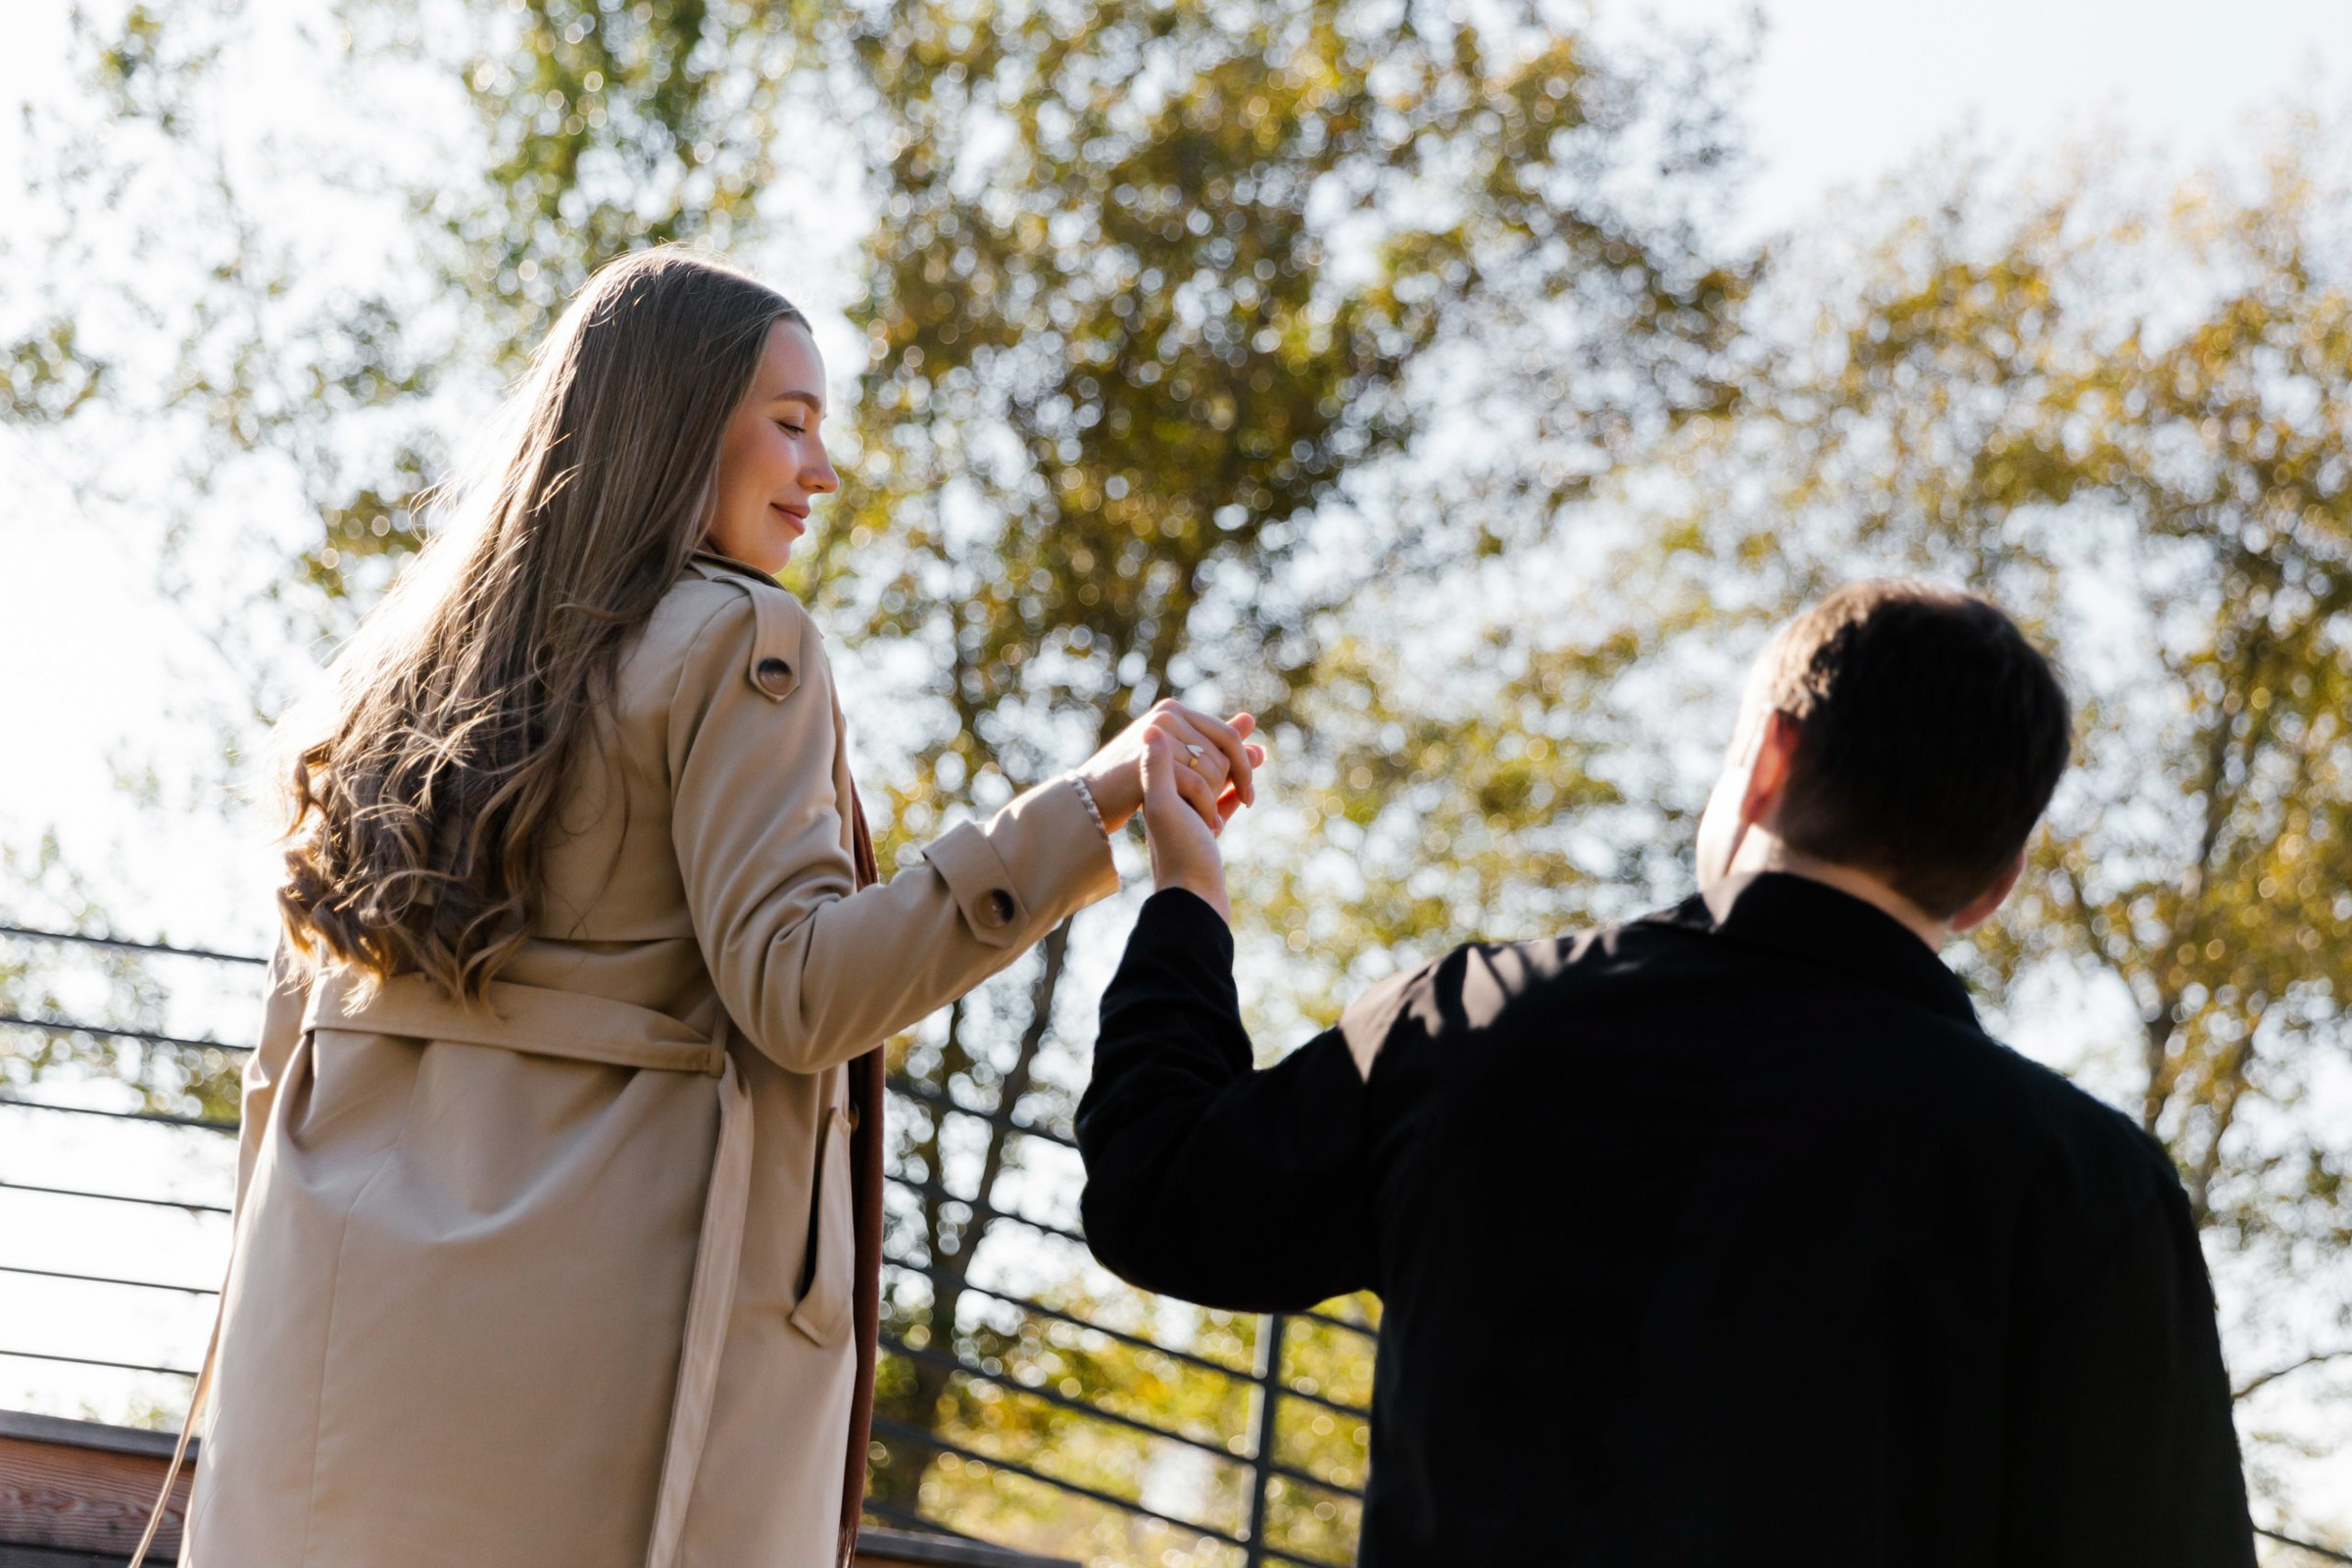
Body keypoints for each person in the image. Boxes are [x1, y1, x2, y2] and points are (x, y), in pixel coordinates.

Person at [160, 246, 1260, 1568]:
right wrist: (1093, 802)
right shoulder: (746, 640)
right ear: (678, 424)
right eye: (789, 425)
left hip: (322, 1378)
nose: (821, 471)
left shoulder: (390, 690)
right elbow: (800, 996)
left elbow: (282, 1058)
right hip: (598, 1393)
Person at [1078, 580, 2256, 1566]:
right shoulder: (2090, 1188)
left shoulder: (1471, 1025)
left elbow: (1161, 1188)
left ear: (1768, 760)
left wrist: (1189, 891)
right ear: (1995, 882)